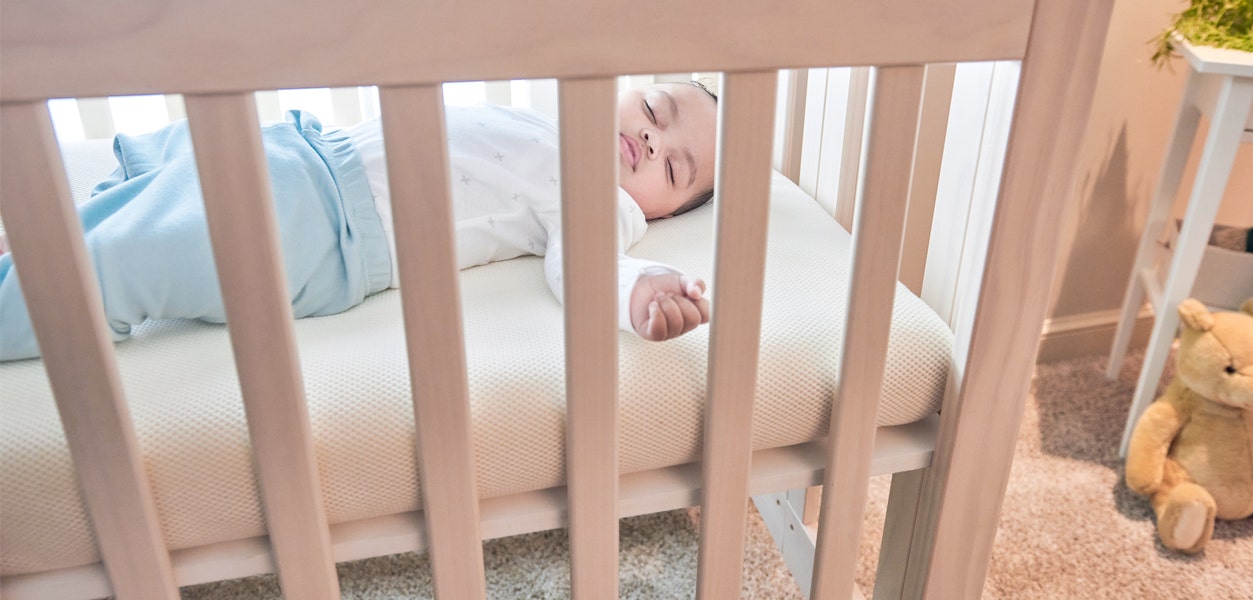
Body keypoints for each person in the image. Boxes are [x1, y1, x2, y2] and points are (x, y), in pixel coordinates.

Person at [0, 82, 718, 362]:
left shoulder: (602, 205)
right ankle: (46, 248)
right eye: (657, 111)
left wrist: (642, 290)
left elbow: (585, 265)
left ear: (657, 209)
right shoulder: (554, 106)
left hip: (324, 225)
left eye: (674, 168)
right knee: (163, 173)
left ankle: (29, 302)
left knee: (139, 258)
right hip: (309, 146)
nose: (654, 142)